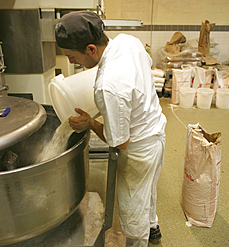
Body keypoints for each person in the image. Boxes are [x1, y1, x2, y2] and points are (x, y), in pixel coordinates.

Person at [55, 11, 167, 247]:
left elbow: (120, 142)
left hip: (139, 150)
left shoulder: (108, 86)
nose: (73, 62)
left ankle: (140, 241)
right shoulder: (129, 42)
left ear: (91, 49)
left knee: (133, 210)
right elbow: (142, 72)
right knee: (149, 189)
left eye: (72, 57)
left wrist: (91, 123)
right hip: (156, 129)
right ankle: (153, 225)